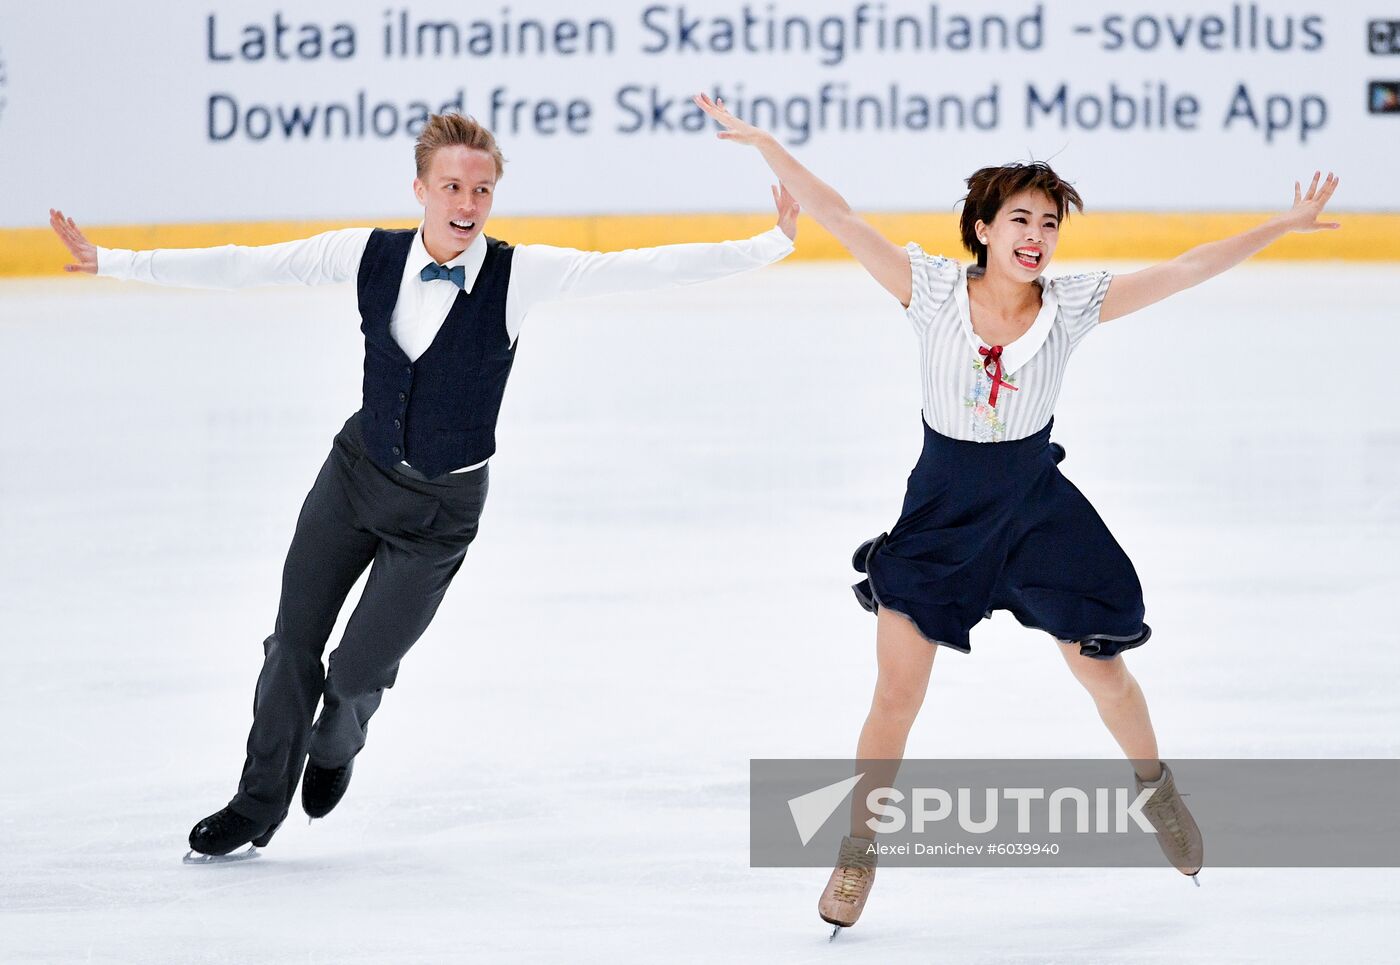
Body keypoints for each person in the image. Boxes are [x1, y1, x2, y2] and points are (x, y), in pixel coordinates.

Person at [49, 111, 800, 862]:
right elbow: (249, 263)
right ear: (420, 188)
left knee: (355, 670)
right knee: (290, 647)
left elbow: (644, 268)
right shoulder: (367, 255)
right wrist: (113, 260)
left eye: (482, 189)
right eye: (451, 186)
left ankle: (337, 745)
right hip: (353, 476)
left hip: (438, 514)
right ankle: (256, 802)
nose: (467, 204)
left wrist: (770, 245)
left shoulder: (517, 274)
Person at [692, 92, 1340, 933]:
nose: (1037, 237)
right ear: (986, 228)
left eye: (1049, 225)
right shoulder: (928, 291)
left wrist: (1280, 224)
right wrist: (768, 145)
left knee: (1102, 670)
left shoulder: (1071, 306)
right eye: (1021, 220)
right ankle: (857, 856)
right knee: (896, 693)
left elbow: (1185, 268)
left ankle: (1157, 790)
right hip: (941, 516)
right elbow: (840, 214)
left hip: (1036, 511)